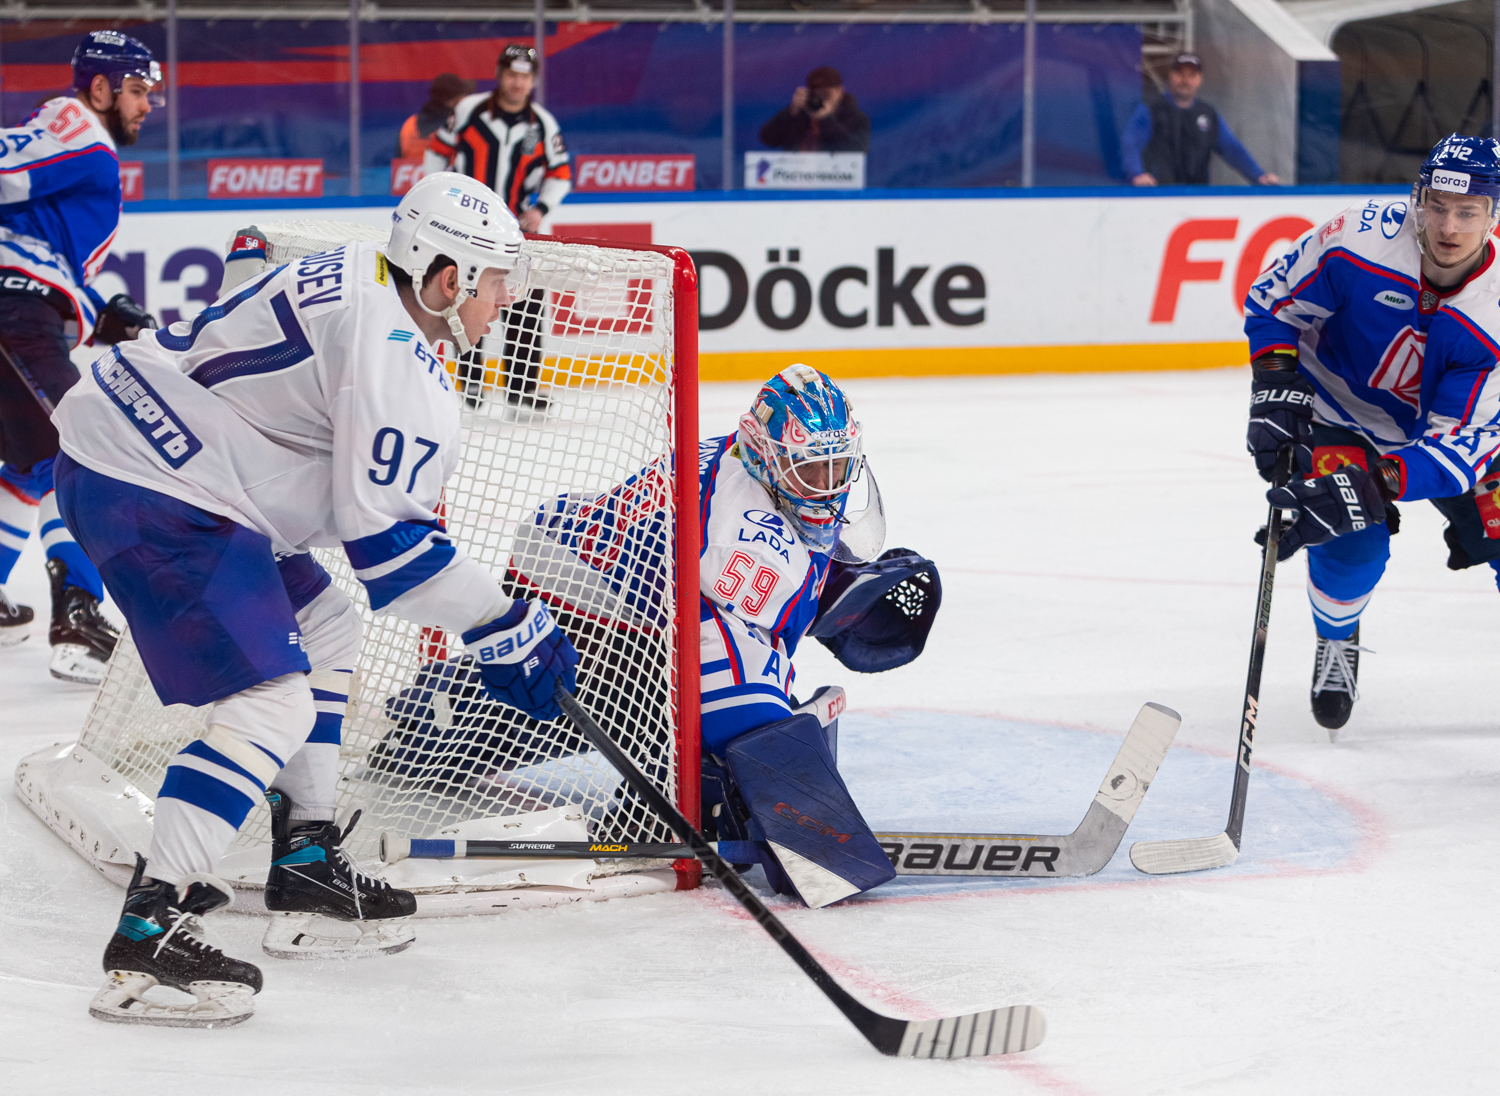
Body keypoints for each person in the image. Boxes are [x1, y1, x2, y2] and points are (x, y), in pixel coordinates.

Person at [50, 171, 580, 1027]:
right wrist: (506, 623)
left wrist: (495, 624)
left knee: (325, 622)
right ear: (447, 279)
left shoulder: (364, 272)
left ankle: (303, 859)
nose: (505, 299)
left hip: (155, 445)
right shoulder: (397, 362)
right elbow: (394, 559)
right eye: (494, 280)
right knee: (271, 698)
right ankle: (151, 930)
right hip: (156, 484)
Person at [1242, 133, 1500, 730]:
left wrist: (1380, 480)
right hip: (1340, 411)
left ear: (1493, 216)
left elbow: (1462, 443)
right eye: (1437, 205)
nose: (1449, 226)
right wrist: (1274, 388)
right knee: (1349, 542)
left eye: (1468, 212)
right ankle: (1336, 637)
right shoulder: (1356, 238)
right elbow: (1275, 303)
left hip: (1451, 437)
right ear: (1417, 200)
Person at [695, 365, 939, 907]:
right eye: (812, 471)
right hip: (581, 611)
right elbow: (753, 631)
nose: (828, 488)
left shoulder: (744, 456)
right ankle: (742, 810)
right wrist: (835, 606)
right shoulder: (745, 537)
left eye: (837, 468)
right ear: (768, 454)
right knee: (751, 717)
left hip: (591, 579)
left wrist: (839, 582)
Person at [0, 30, 160, 680]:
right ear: (101, 88)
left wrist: (96, 311)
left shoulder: (57, 126)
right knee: (82, 454)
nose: (148, 105)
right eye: (139, 90)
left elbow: (36, 245)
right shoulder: (85, 136)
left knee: (28, 465)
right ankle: (77, 614)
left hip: (22, 315)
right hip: (14, 319)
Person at [425, 44, 570, 413]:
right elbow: (436, 154)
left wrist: (540, 209)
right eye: (512, 75)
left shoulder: (543, 124)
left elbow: (561, 174)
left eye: (525, 76)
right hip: (468, 229)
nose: (518, 83)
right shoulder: (468, 111)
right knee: (466, 301)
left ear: (533, 80)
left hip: (518, 235)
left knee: (526, 307)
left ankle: (521, 389)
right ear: (499, 75)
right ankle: (470, 384)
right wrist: (442, 198)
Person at [1121, 54, 1279, 187]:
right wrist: (1136, 174)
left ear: (1199, 79)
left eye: (1191, 76)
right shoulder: (1151, 109)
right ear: (1171, 76)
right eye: (1180, 74)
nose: (1185, 80)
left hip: (1198, 196)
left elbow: (1232, 149)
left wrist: (1259, 176)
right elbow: (1131, 143)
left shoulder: (1208, 114)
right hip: (1160, 194)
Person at [758, 66, 871, 154]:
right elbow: (767, 138)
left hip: (834, 179)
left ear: (839, 91)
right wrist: (790, 113)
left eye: (826, 93)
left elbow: (857, 149)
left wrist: (826, 120)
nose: (822, 97)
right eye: (817, 93)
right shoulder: (799, 113)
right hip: (795, 177)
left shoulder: (856, 118)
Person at [395, 73, 475, 161]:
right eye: (461, 96)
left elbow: (398, 162)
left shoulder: (409, 124)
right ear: (451, 100)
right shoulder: (455, 127)